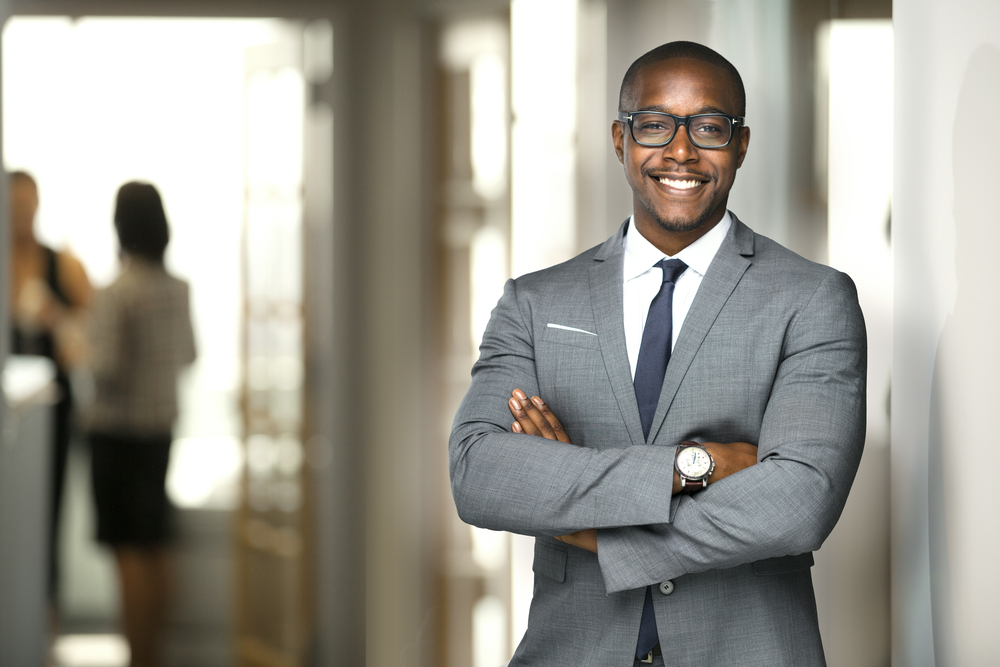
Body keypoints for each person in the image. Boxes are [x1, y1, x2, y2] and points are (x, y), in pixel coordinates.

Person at [450, 41, 866, 666]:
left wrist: (582, 523)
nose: (680, 151)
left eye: (708, 127)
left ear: (741, 145)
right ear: (620, 140)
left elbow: (799, 502)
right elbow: (479, 474)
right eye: (654, 125)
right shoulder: (535, 303)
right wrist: (691, 466)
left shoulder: (812, 299)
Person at [86, 182, 196, 667]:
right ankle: (157, 654)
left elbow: (105, 370)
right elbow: (191, 355)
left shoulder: (116, 293)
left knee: (128, 552)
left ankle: (138, 657)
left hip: (117, 434)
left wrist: (74, 342)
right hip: (159, 433)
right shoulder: (178, 289)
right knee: (155, 545)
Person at [8, 170, 92, 616]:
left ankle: (45, 616)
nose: (22, 214)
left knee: (48, 512)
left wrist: (55, 319)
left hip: (52, 412)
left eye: (28, 204)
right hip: (9, 412)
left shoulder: (65, 264)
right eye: (14, 205)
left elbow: (92, 340)